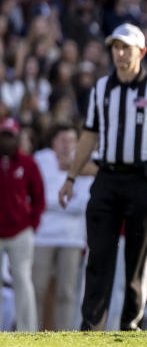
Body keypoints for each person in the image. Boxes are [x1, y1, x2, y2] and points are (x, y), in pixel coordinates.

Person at [59, 24, 147, 331]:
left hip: (143, 179)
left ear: (141, 51)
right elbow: (89, 135)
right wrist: (72, 177)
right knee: (99, 253)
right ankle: (92, 323)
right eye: (116, 47)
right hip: (108, 177)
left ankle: (130, 324)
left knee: (137, 257)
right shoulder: (101, 89)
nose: (120, 53)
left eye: (127, 47)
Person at [32, 124, 93, 330]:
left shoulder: (83, 162)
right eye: (62, 140)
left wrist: (50, 204)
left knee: (66, 292)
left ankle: (64, 335)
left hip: (72, 238)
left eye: (71, 140)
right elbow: (36, 197)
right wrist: (61, 202)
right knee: (37, 289)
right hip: (42, 236)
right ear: (53, 141)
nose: (66, 145)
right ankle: (33, 332)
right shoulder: (41, 160)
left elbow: (85, 201)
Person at [0, 117, 44, 331]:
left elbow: (39, 198)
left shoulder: (28, 163)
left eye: (10, 136)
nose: (6, 140)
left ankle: (28, 330)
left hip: (20, 232)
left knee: (23, 280)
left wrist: (31, 225)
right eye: (4, 136)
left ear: (17, 138)